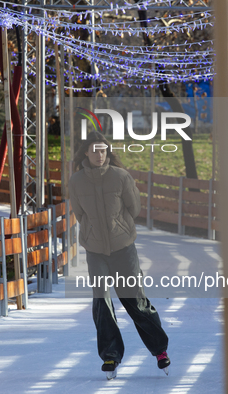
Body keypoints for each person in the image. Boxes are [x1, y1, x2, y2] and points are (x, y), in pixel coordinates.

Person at [68, 131, 170, 379]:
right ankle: (111, 354)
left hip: (123, 248)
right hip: (96, 252)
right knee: (101, 300)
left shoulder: (121, 177)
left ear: (108, 151)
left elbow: (134, 208)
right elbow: (79, 213)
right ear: (86, 153)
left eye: (103, 150)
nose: (99, 154)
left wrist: (117, 228)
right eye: (94, 150)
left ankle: (159, 350)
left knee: (135, 300)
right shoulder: (76, 181)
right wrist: (93, 231)